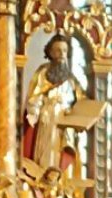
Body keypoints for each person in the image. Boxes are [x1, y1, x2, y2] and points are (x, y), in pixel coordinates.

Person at [22, 34, 86, 170]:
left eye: (64, 50)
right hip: (47, 116)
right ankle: (44, 175)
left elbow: (81, 101)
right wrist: (39, 109)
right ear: (50, 52)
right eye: (58, 50)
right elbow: (33, 97)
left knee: (61, 151)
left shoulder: (71, 78)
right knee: (46, 148)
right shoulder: (43, 72)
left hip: (65, 120)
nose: (62, 54)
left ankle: (61, 179)